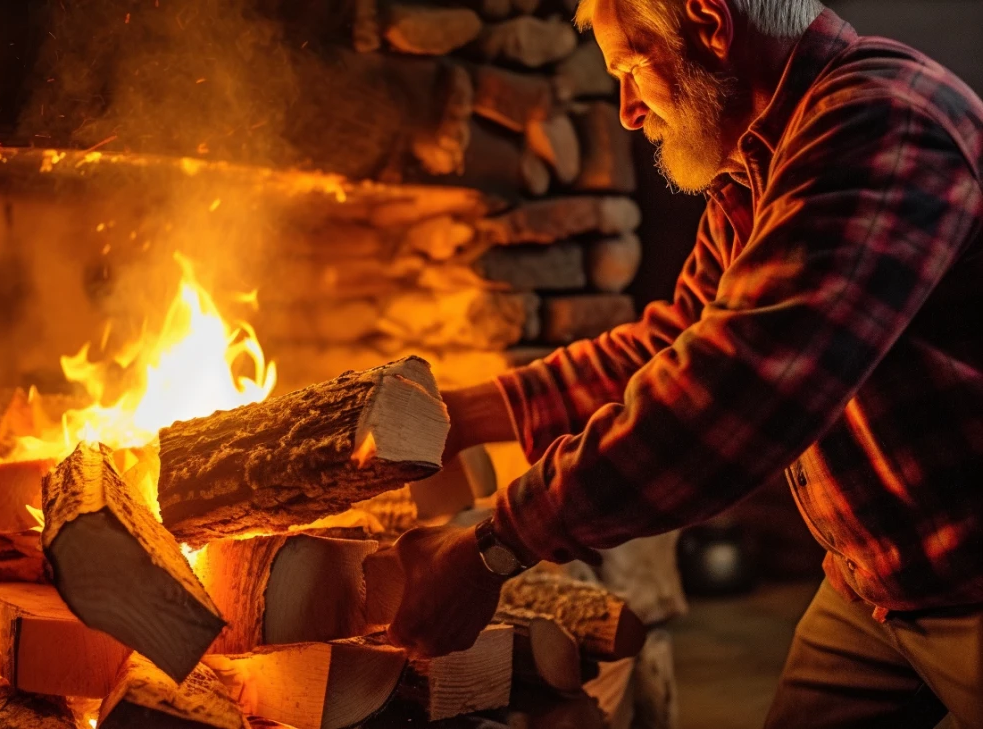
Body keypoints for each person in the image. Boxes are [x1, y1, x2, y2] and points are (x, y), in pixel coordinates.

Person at [384, 0, 983, 726]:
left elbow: (736, 392)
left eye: (633, 68)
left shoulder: (883, 123)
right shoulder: (759, 161)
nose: (627, 111)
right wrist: (461, 415)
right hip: (873, 578)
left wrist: (496, 546)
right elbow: (675, 341)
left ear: (710, 22)